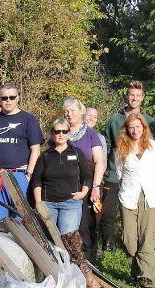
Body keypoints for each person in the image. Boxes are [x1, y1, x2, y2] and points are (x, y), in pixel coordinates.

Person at [100, 81, 155, 254]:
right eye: (131, 95)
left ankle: (140, 248)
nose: (134, 98)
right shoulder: (114, 119)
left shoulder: (149, 120)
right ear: (127, 96)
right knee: (109, 213)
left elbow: (152, 148)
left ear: (142, 98)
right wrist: (104, 169)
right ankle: (108, 247)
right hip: (114, 173)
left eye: (138, 96)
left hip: (139, 178)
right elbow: (107, 145)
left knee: (141, 214)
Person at [0, 83, 45, 223]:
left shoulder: (28, 119)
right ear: (0, 100)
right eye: (4, 98)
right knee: (0, 221)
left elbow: (36, 149)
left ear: (18, 98)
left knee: (21, 220)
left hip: (20, 174)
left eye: (11, 97)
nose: (8, 100)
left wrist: (29, 174)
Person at [115, 112, 155, 288]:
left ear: (144, 127)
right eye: (131, 127)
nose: (135, 130)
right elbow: (120, 175)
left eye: (138, 127)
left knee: (147, 237)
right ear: (126, 129)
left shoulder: (154, 147)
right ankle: (135, 271)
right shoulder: (121, 149)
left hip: (149, 197)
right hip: (128, 196)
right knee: (129, 239)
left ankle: (146, 276)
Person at [59, 98, 105, 257]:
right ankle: (69, 259)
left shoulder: (91, 135)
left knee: (85, 225)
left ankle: (88, 262)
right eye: (66, 110)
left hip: (86, 184)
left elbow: (100, 162)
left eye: (72, 110)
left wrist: (96, 187)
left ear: (81, 112)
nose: (69, 113)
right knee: (65, 226)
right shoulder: (60, 132)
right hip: (62, 186)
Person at [31, 118, 91, 235]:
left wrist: (83, 193)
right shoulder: (45, 156)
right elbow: (36, 180)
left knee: (68, 241)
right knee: (49, 240)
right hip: (48, 204)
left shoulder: (77, 153)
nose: (61, 134)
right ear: (53, 133)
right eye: (57, 131)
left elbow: (87, 177)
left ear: (69, 133)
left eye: (64, 131)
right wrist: (39, 203)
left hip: (71, 204)